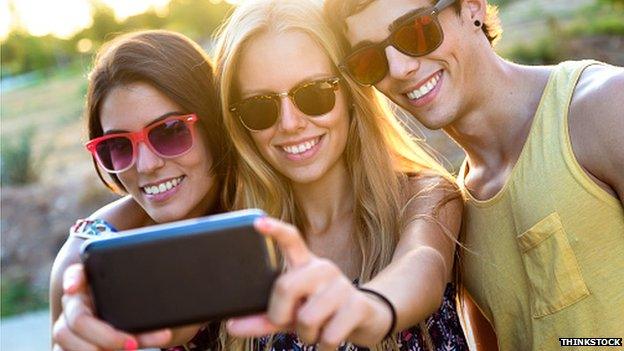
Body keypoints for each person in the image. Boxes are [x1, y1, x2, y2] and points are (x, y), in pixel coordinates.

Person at [323, 0, 624, 350]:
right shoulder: (459, 213)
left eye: (415, 32)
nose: (400, 68)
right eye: (369, 60)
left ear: (473, 8)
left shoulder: (603, 108)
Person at [209, 0, 468, 349]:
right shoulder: (236, 244)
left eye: (314, 94)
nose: (290, 124)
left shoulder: (424, 197)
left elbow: (424, 261)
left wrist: (371, 307)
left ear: (350, 93)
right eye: (260, 107)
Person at [50, 30, 233, 350]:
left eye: (169, 131)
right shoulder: (84, 264)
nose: (146, 165)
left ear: (213, 123)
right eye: (118, 146)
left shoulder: (273, 208)